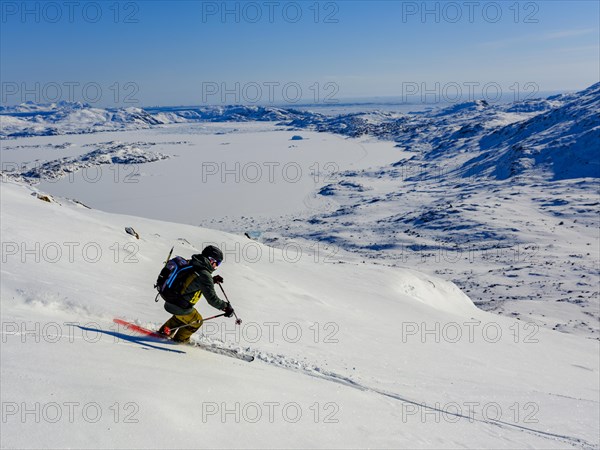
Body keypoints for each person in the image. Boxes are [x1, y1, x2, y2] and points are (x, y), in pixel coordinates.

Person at [158, 245, 234, 343]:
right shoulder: (204, 275)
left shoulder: (193, 263)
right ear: (211, 260)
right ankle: (180, 340)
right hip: (181, 306)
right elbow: (212, 299)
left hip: (171, 300)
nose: (216, 266)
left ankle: (163, 333)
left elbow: (191, 280)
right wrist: (225, 307)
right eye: (217, 263)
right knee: (197, 321)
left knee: (182, 318)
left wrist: (211, 280)